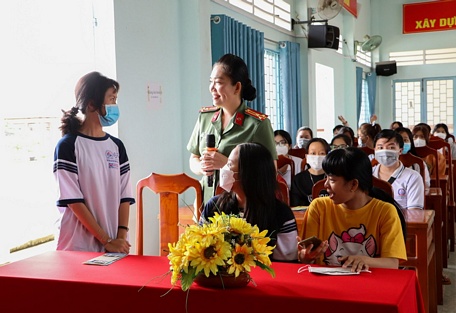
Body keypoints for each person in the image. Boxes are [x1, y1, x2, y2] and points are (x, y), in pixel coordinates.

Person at [53, 72, 135, 253]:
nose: (115, 106)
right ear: (91, 104)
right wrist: (105, 240)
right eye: (111, 99)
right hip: (78, 245)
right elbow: (73, 201)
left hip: (114, 244)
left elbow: (125, 196)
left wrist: (120, 238)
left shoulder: (116, 146)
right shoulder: (67, 146)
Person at [297, 147, 407, 272]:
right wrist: (305, 257)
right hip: (326, 285)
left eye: (332, 180)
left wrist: (364, 260)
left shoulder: (385, 211)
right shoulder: (318, 207)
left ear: (354, 184)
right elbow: (305, 258)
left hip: (368, 287)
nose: (325, 184)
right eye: (326, 177)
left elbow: (392, 264)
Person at [187, 54, 276, 204]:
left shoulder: (257, 124)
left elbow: (270, 172)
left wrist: (227, 164)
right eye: (211, 82)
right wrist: (202, 167)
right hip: (205, 203)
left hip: (241, 206)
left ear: (237, 87)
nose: (212, 88)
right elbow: (193, 158)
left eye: (219, 82)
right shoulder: (205, 117)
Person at [200, 142, 298, 262]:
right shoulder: (215, 206)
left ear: (248, 174)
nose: (224, 169)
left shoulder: (281, 214)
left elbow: (287, 265)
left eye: (229, 164)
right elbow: (199, 246)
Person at [372, 129, 424, 210]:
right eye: (380, 147)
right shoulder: (367, 174)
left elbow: (414, 212)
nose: (385, 151)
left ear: (400, 150)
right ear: (374, 150)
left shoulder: (413, 177)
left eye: (391, 147)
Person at [290, 138, 330, 207]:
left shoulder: (333, 178)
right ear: (307, 156)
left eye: (322, 153)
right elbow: (296, 205)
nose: (317, 157)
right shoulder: (298, 179)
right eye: (313, 153)